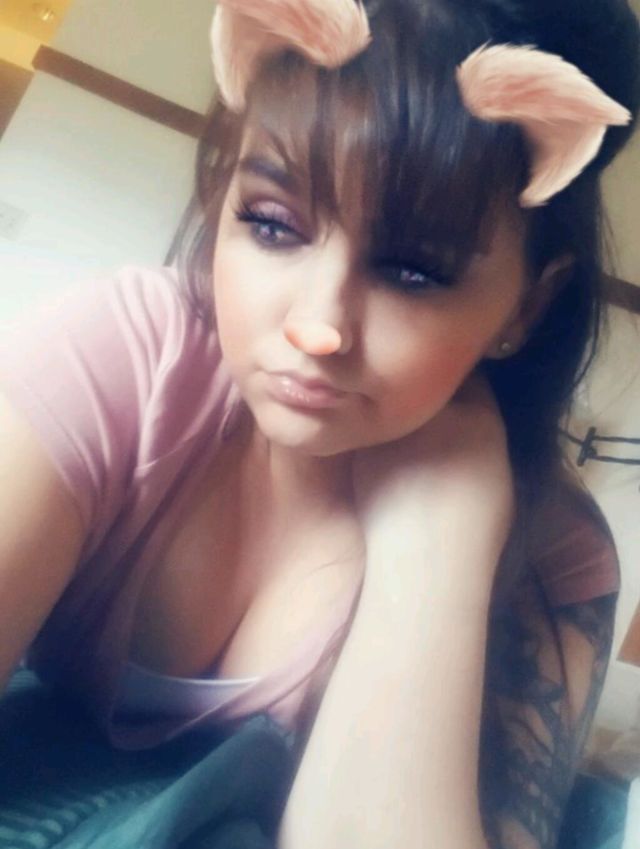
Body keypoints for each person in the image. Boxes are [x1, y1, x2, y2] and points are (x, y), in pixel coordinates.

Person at [1, 0, 639, 846]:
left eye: (413, 272)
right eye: (272, 224)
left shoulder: (558, 553)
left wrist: (439, 538)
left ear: (526, 304)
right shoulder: (128, 357)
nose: (318, 327)